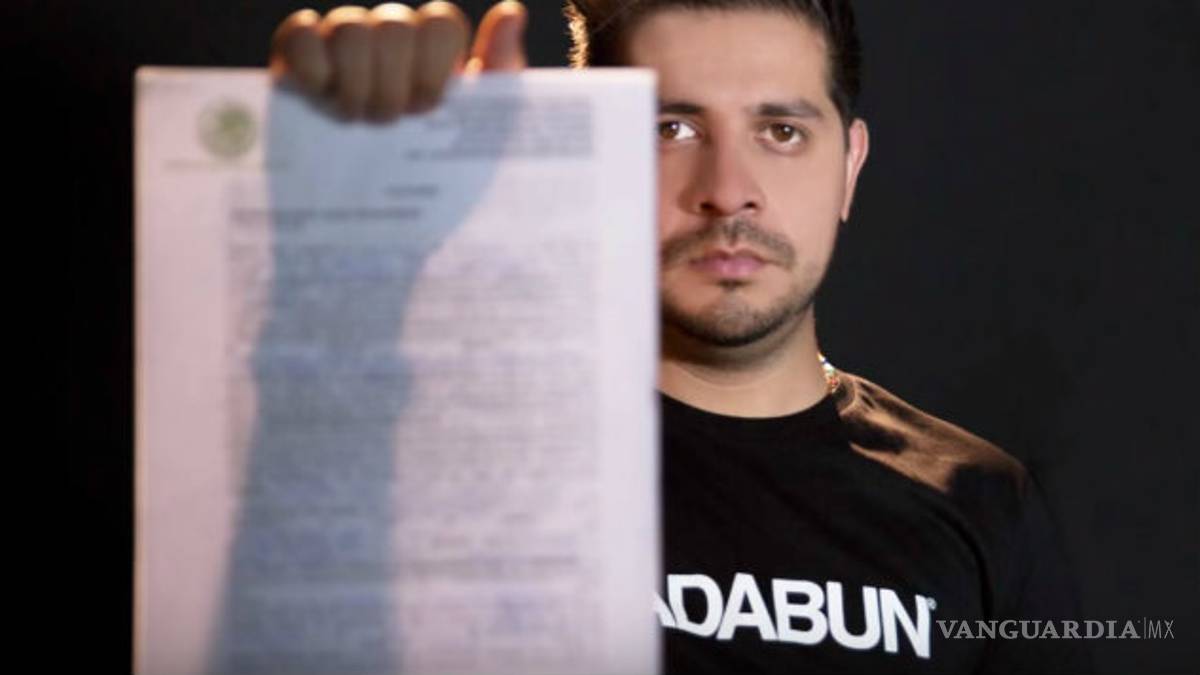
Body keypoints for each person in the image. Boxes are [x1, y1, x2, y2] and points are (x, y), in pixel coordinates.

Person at [267, 1, 1094, 672]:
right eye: (671, 129)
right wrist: (342, 255)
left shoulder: (982, 505)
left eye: (781, 131)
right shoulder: (450, 454)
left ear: (849, 167)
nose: (727, 192)